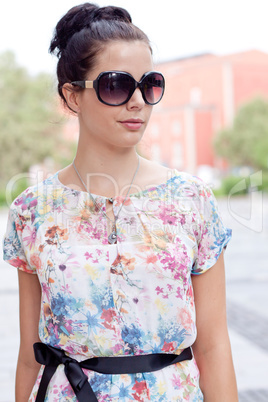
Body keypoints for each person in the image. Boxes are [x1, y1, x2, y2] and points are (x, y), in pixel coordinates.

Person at [2, 2, 238, 401]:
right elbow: (31, 354)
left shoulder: (191, 199)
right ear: (72, 96)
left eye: (149, 85)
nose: (137, 102)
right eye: (116, 85)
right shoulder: (32, 210)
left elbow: (213, 347)